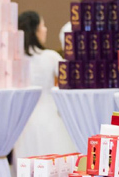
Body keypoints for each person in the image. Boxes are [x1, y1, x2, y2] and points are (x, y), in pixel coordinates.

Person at [15, 11, 75, 160]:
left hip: (22, 120)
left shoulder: (14, 59)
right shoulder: (50, 57)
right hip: (50, 116)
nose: (45, 29)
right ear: (35, 30)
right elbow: (70, 82)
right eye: (43, 25)